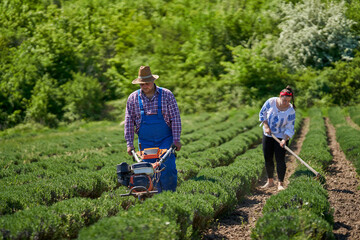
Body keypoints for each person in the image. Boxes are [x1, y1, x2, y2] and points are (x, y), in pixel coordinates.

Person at [124, 66, 182, 192]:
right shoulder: (133, 98)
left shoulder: (167, 95)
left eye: (147, 83)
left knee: (168, 167)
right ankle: (153, 197)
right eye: (142, 84)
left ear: (153, 81)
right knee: (148, 170)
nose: (145, 86)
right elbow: (129, 122)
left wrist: (176, 139)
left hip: (165, 139)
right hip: (146, 141)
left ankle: (169, 195)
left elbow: (175, 118)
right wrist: (129, 144)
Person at [259, 86, 296, 191]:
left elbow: (290, 127)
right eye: (284, 100)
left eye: (288, 101)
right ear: (280, 97)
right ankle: (270, 181)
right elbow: (262, 114)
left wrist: (284, 139)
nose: (286, 103)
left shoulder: (290, 110)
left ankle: (280, 184)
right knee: (268, 158)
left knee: (280, 159)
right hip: (268, 135)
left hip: (281, 136)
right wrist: (266, 126)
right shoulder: (271, 102)